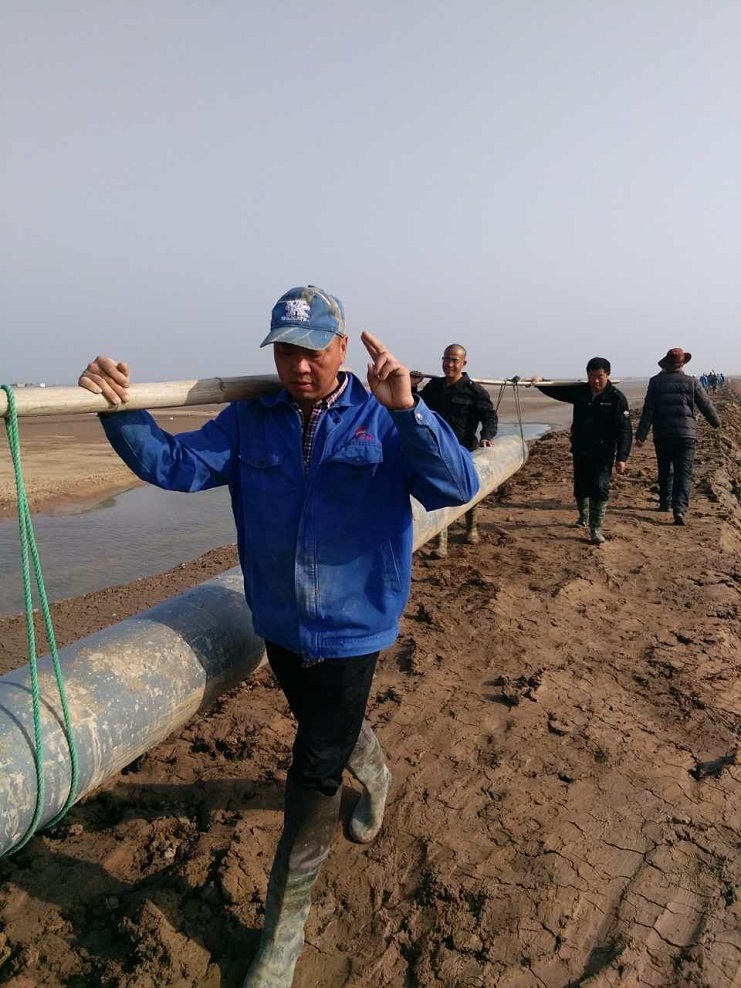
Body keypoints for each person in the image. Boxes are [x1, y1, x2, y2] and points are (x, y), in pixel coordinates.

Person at [78, 285, 479, 988]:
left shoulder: (382, 417)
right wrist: (120, 408)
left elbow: (455, 485)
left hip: (354, 627)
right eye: (286, 351)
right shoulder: (249, 420)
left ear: (342, 348)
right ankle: (376, 772)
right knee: (324, 723)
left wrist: (407, 409)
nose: (299, 365)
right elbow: (176, 466)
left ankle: (282, 933)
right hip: (279, 620)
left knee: (313, 771)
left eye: (314, 350)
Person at [531, 358, 632, 544]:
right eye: (591, 376)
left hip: (604, 451)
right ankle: (583, 516)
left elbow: (625, 430)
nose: (595, 380)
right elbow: (557, 391)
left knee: (600, 487)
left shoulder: (616, 398)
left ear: (608, 375)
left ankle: (596, 529)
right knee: (581, 487)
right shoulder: (581, 391)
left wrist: (622, 457)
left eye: (599, 376)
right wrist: (540, 382)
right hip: (581, 448)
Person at [409, 344, 497, 557]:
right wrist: (412, 387)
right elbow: (416, 405)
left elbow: (489, 417)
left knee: (468, 490)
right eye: (446, 359)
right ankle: (441, 543)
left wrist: (486, 436)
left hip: (464, 449)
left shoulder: (475, 391)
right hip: (438, 449)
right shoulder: (434, 387)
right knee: (440, 492)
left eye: (454, 360)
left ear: (463, 363)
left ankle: (471, 528)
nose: (449, 364)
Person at [635, 347, 720, 525]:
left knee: (665, 468)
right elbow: (706, 405)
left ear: (666, 364)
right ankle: (679, 509)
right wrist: (716, 422)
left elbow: (648, 410)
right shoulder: (692, 382)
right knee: (684, 472)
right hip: (686, 435)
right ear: (682, 364)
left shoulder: (655, 382)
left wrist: (641, 435)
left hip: (663, 434)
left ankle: (665, 502)